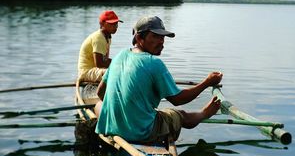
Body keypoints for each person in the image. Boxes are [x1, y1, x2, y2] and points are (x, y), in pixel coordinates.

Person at [95, 16, 222, 144]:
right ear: (139, 38)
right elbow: (178, 99)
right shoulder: (154, 63)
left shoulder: (119, 55)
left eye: (162, 37)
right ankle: (204, 114)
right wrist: (207, 82)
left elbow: (100, 92)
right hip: (141, 133)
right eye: (155, 36)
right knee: (180, 115)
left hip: (111, 128)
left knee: (98, 105)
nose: (161, 41)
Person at [78, 10, 123, 82]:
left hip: (95, 70)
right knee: (117, 72)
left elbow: (104, 60)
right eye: (112, 24)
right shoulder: (99, 37)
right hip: (86, 72)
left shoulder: (107, 37)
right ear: (102, 24)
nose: (115, 27)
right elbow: (99, 63)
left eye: (116, 24)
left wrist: (120, 63)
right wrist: (118, 64)